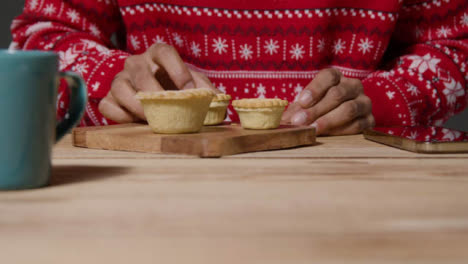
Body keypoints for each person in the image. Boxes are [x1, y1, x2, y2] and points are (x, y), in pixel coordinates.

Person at [11, 0, 467, 136]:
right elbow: (41, 32)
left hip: (365, 198)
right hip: (149, 202)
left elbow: (458, 43)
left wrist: (386, 103)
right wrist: (106, 80)